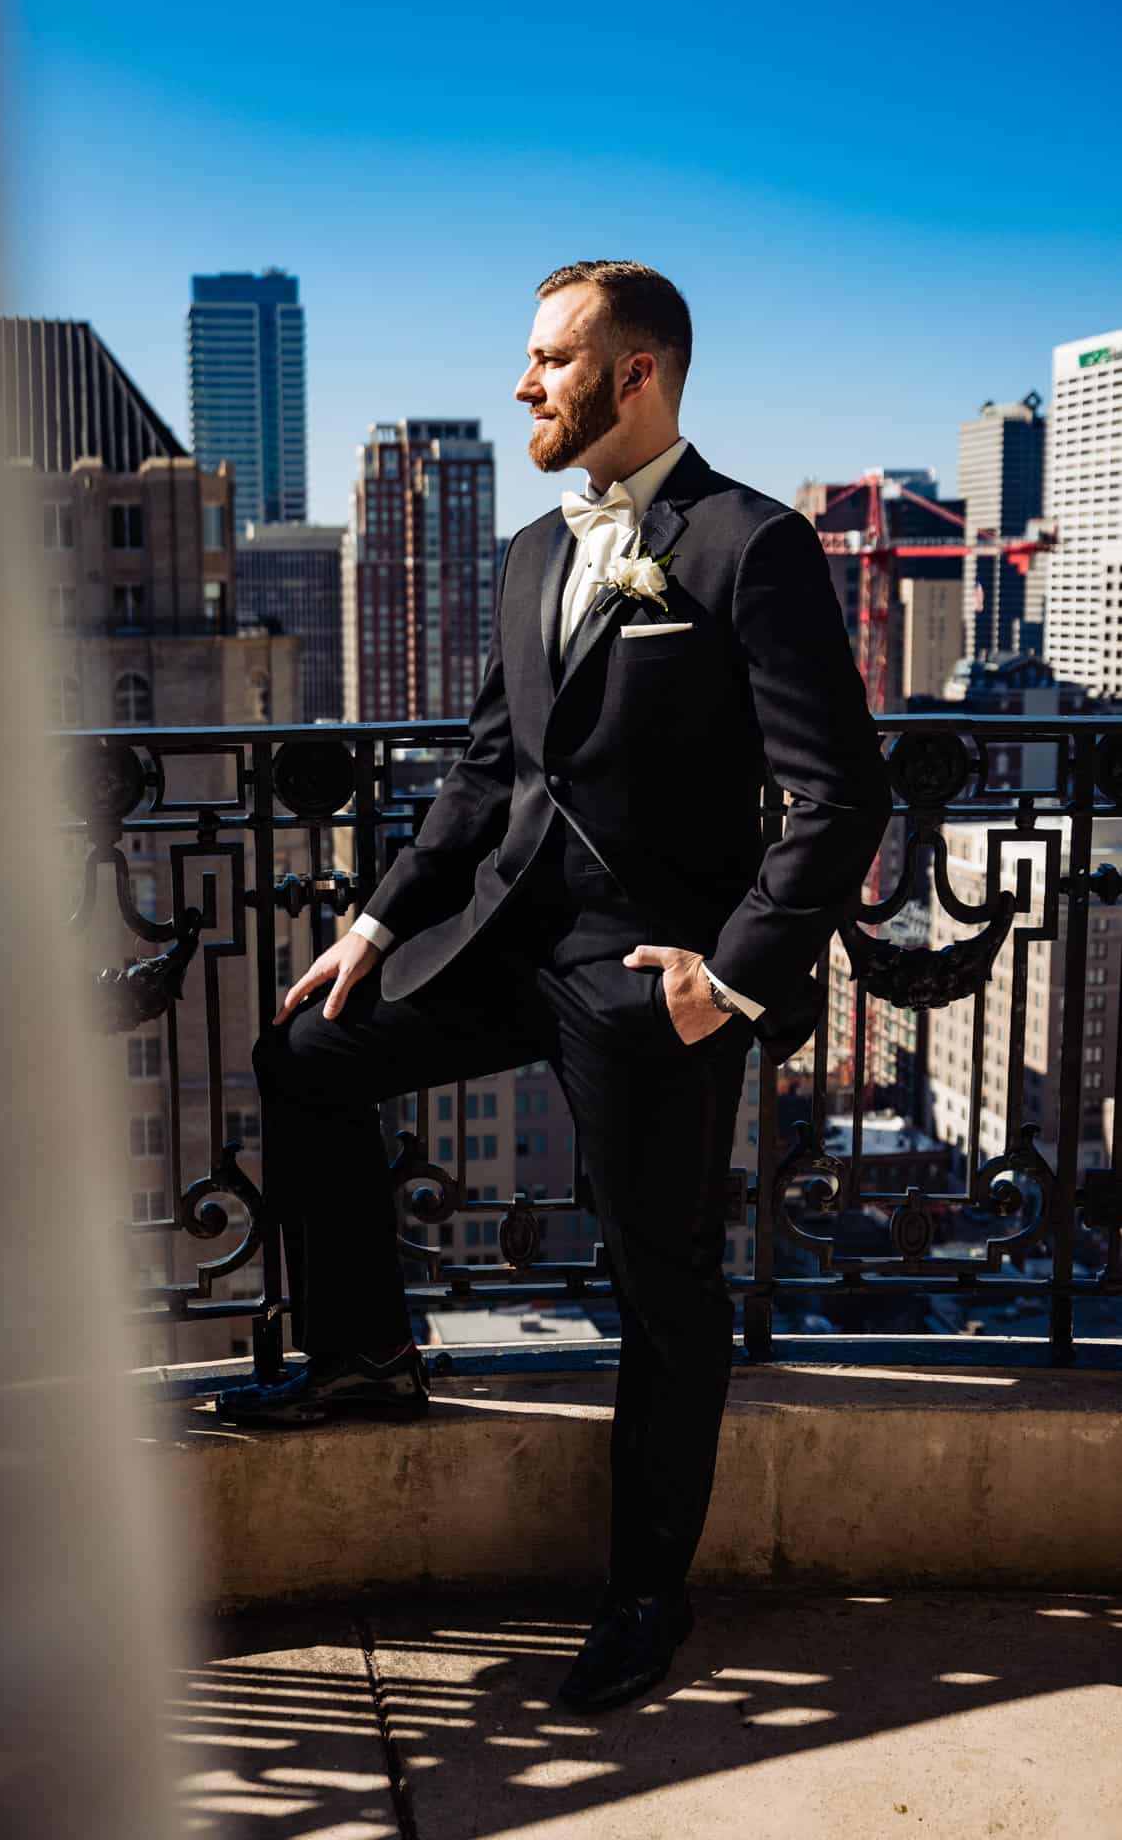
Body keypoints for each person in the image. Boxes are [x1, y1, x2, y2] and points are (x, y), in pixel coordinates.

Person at [222, 260, 891, 1712]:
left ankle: (646, 1592)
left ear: (634, 373)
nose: (523, 382)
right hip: (495, 945)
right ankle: (365, 1359)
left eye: (548, 359)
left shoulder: (747, 546)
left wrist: (729, 978)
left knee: (662, 1287)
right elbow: (482, 767)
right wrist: (382, 921)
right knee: (306, 1060)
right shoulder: (532, 547)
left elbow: (838, 795)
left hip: (649, 979)